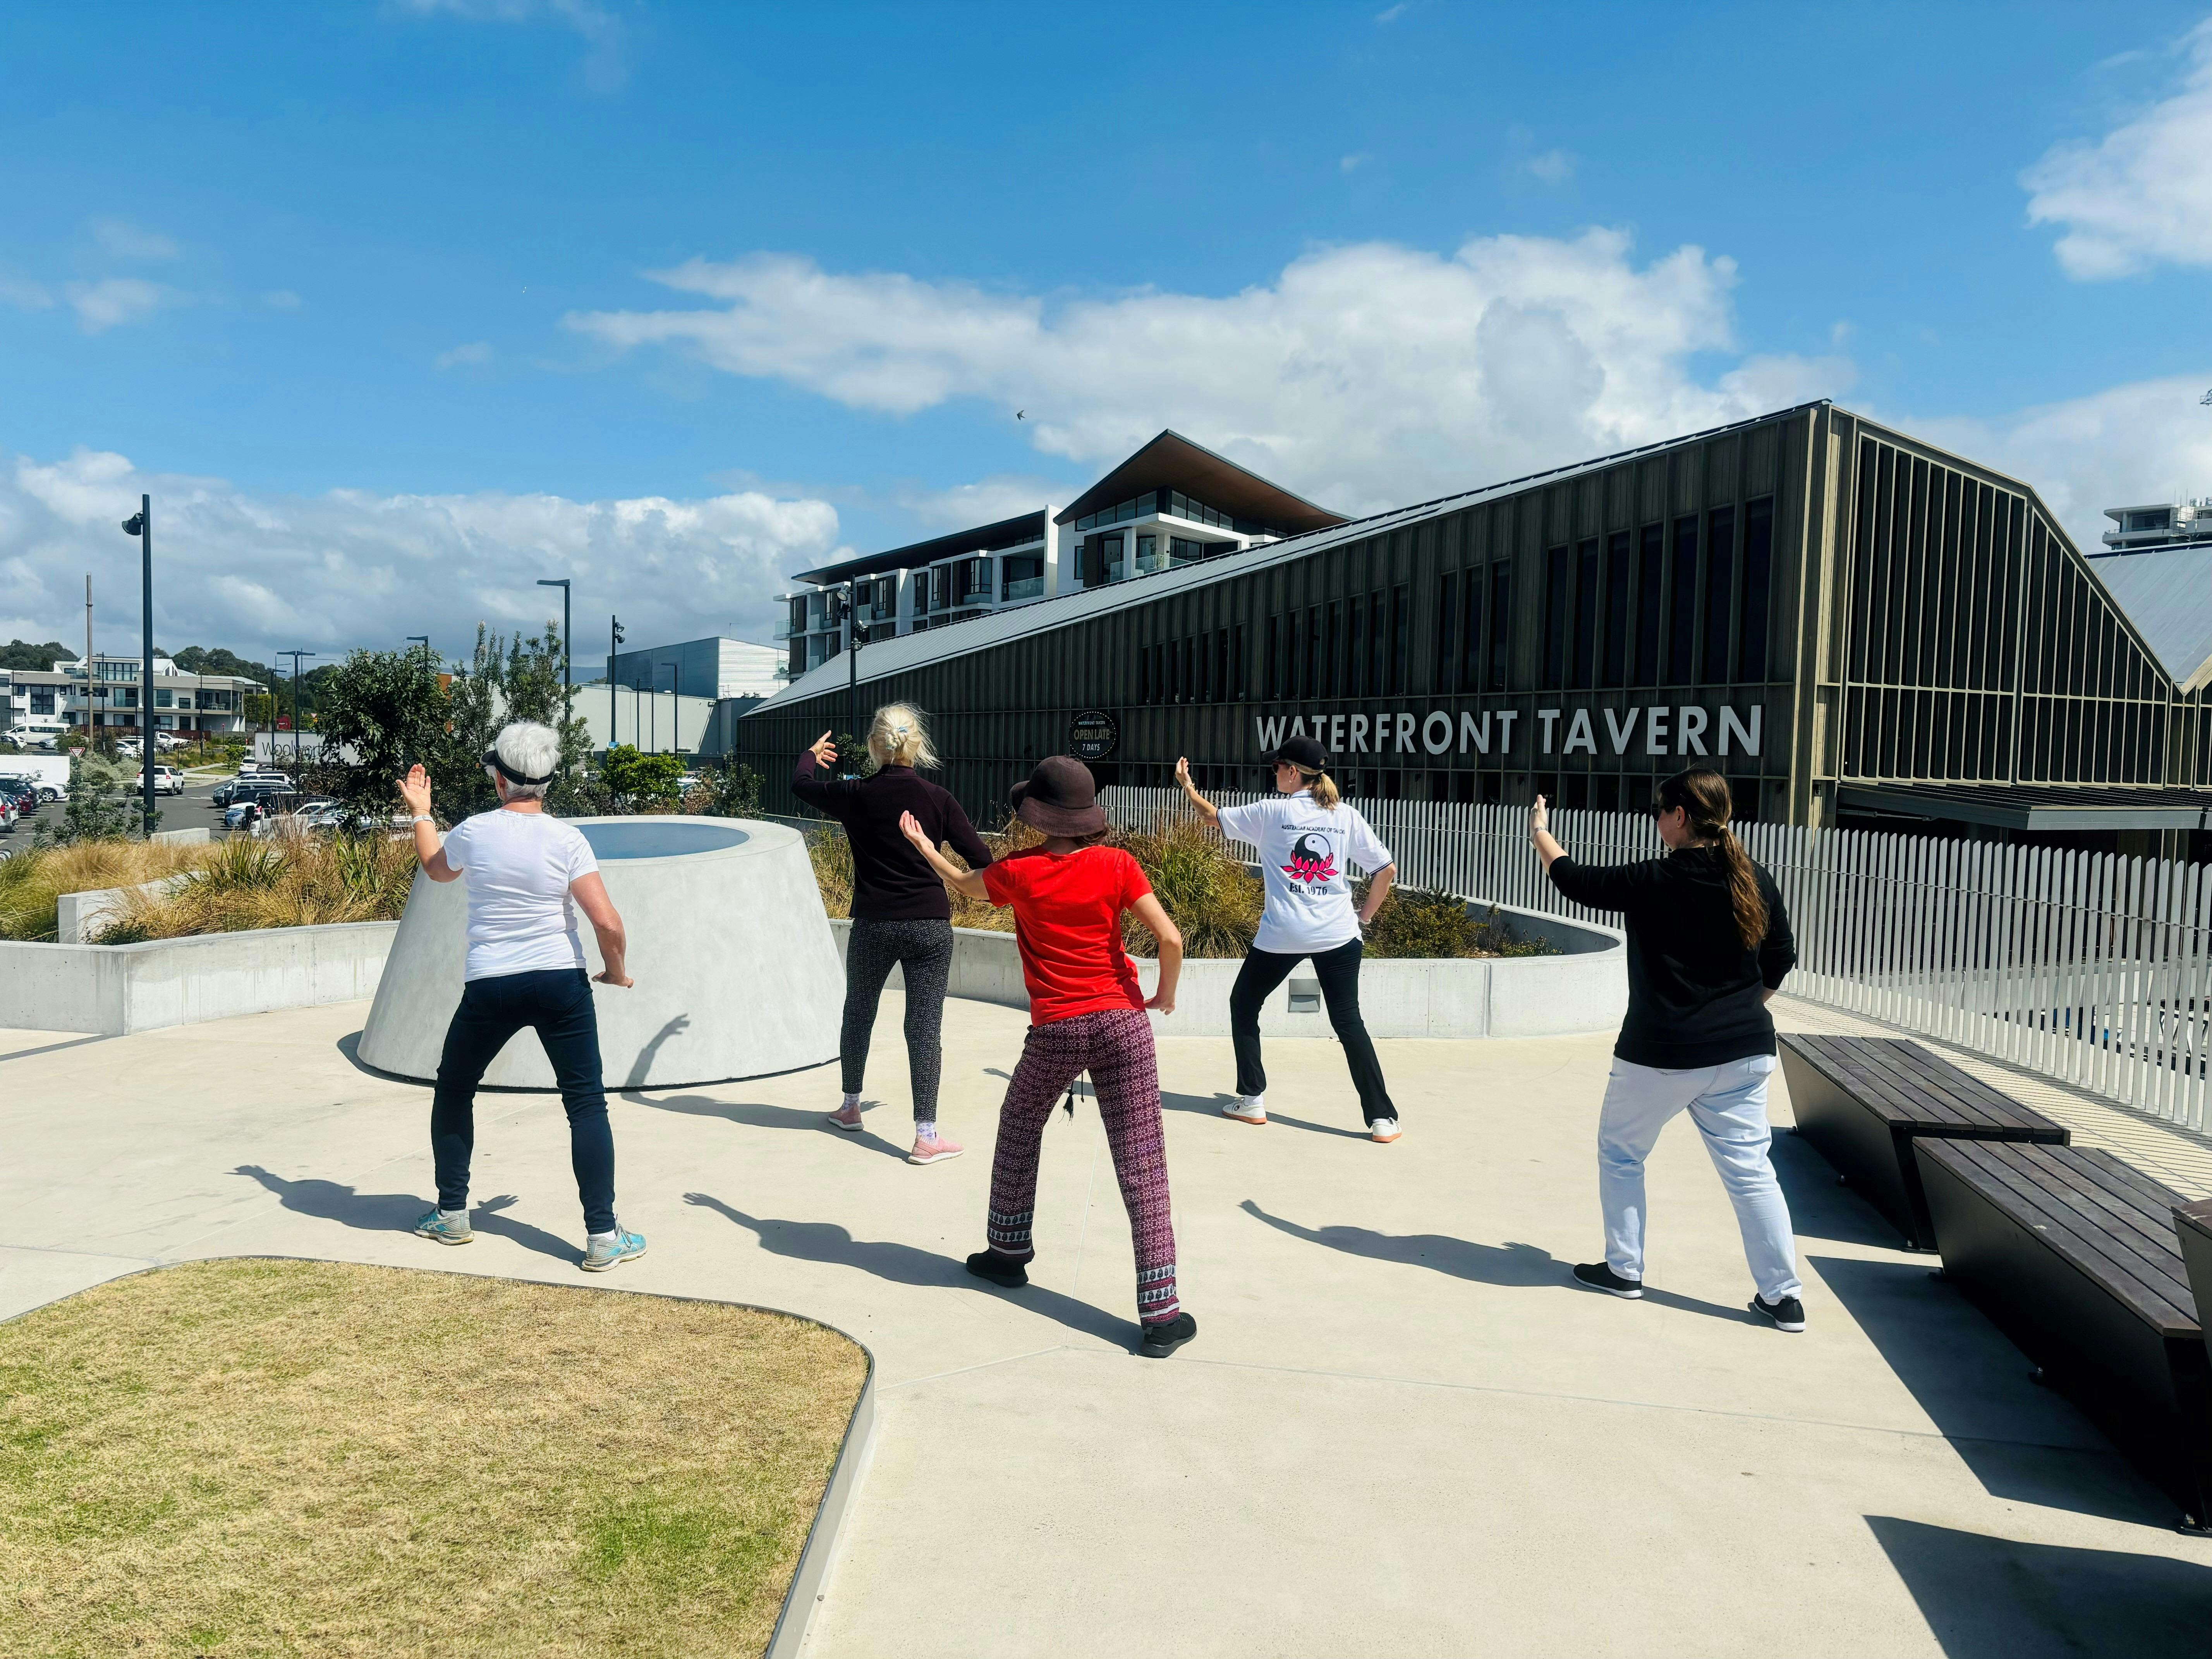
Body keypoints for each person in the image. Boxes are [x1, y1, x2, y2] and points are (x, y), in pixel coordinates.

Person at [898, 755, 1198, 1359]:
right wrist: (1163, 994)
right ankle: (1161, 1314)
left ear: (1039, 814)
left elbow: (963, 885)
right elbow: (1170, 938)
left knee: (1019, 1128)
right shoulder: (1118, 864)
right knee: (1143, 1163)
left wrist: (926, 846)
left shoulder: (1020, 871)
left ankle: (1008, 1254)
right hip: (1123, 1023)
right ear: (1089, 813)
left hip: (1058, 1028)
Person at [1532, 766, 1805, 1331]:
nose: (1657, 821)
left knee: (1622, 1154)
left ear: (1680, 817)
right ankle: (1784, 1299)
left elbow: (1576, 881)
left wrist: (1540, 831)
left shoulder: (1656, 878)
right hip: (1745, 1051)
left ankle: (1625, 1270)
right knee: (1753, 1173)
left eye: (1660, 812)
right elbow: (1782, 955)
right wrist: (1747, 1009)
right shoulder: (1753, 876)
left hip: (1662, 1055)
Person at [396, 721, 646, 1272]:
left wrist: (421, 810)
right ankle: (603, 1237)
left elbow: (437, 871)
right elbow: (606, 921)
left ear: (499, 781)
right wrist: (617, 972)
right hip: (561, 980)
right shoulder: (567, 839)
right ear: (548, 781)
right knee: (585, 1104)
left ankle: (452, 1215)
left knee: (455, 1088)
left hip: (491, 983)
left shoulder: (475, 832)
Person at [1172, 736, 1402, 1142]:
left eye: (1278, 767)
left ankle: (1252, 1099)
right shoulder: (1345, 815)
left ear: (1293, 772)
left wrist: (1187, 786)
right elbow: (1386, 870)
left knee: (1244, 1003)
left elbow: (1211, 817)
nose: (1275, 773)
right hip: (1338, 934)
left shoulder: (1271, 812)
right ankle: (1382, 1119)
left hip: (1283, 936)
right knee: (1349, 1022)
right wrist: (1363, 918)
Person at [795, 704, 993, 1164]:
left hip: (873, 924)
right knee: (924, 1027)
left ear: (874, 746)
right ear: (917, 744)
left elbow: (801, 784)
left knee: (859, 1011)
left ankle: (850, 1107)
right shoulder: (939, 798)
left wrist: (810, 755)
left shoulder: (855, 793)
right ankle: (926, 1135)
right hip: (929, 926)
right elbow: (983, 859)